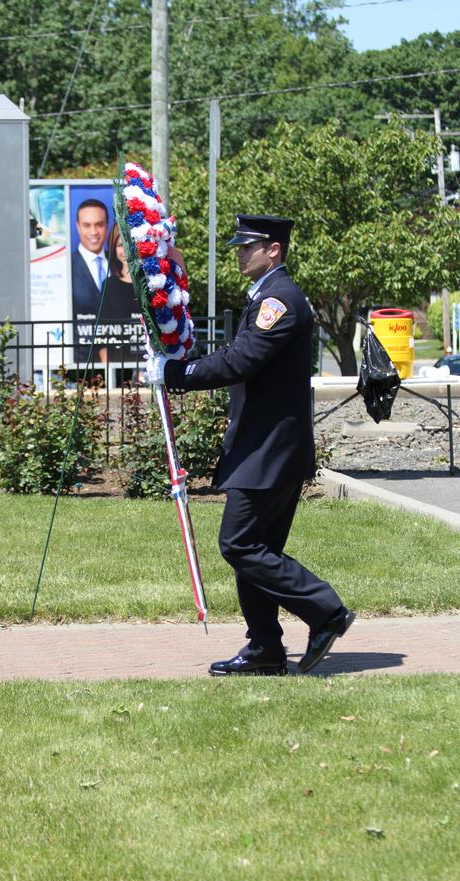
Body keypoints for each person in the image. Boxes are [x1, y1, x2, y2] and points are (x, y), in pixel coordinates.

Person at [144, 214, 355, 676]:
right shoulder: (267, 295)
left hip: (269, 449)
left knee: (239, 544)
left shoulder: (279, 299)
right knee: (255, 551)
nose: (240, 252)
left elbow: (242, 360)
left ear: (274, 250)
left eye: (248, 246)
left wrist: (178, 374)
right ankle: (264, 649)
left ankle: (325, 609)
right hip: (266, 446)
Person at [100, 222, 144, 365]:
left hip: (147, 363)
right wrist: (109, 374)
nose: (125, 250)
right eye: (120, 245)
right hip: (117, 367)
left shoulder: (149, 284)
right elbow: (101, 335)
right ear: (113, 249)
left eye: (128, 244)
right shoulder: (108, 285)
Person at [72, 198, 110, 364]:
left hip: (119, 364)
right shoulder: (66, 268)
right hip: (77, 364)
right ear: (77, 227)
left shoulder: (120, 265)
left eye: (99, 224)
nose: (94, 232)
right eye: (87, 225)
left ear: (107, 226)